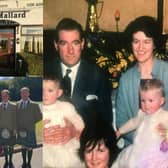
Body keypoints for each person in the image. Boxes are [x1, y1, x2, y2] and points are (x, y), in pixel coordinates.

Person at [44, 18, 112, 125]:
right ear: (56, 45)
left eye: (75, 43)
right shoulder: (43, 72)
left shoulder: (98, 75)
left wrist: (77, 134)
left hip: (86, 138)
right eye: (64, 43)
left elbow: (106, 120)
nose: (70, 50)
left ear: (82, 44)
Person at [115, 15, 168, 147]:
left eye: (146, 41)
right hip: (134, 147)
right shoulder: (126, 79)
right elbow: (121, 122)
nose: (140, 47)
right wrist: (143, 141)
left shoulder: (166, 72)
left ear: (154, 43)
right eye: (136, 41)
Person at [113, 79, 168, 168]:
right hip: (139, 149)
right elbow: (133, 123)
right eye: (143, 100)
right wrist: (120, 131)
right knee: (125, 159)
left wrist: (167, 135)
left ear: (161, 101)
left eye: (150, 100)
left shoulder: (164, 116)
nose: (146, 104)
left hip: (156, 152)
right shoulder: (142, 114)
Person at [42, 74, 84, 168]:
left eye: (50, 91)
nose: (44, 94)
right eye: (42, 90)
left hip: (65, 146)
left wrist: (77, 132)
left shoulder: (66, 107)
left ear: (59, 93)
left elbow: (79, 124)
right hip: (46, 148)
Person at [16, 87, 42, 168]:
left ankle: (29, 163)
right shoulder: (17, 104)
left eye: (26, 93)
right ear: (21, 94)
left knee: (29, 147)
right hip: (21, 130)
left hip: (30, 129)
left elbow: (39, 117)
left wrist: (31, 122)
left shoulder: (34, 105)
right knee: (23, 146)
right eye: (22, 93)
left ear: (28, 94)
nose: (24, 94)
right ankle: (24, 163)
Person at [0, 89, 16, 168]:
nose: (4, 97)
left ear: (8, 96)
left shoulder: (13, 106)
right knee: (5, 146)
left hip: (11, 130)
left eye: (5, 96)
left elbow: (16, 119)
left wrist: (15, 129)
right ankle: (6, 161)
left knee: (11, 146)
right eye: (2, 96)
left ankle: (10, 161)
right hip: (2, 130)